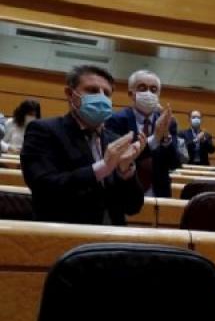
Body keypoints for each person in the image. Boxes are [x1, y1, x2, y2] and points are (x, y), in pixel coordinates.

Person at [21, 65, 145, 225]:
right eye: (92, 90)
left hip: (112, 240)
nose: (101, 97)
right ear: (70, 94)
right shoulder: (44, 131)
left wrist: (125, 172)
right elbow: (44, 189)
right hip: (64, 236)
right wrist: (103, 167)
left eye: (106, 93)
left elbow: (133, 207)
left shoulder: (115, 140)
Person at [105, 70, 181, 198]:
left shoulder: (168, 122)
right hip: (126, 190)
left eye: (153, 89)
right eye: (142, 88)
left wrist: (166, 135)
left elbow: (174, 163)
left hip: (158, 191)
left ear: (158, 95)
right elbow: (118, 160)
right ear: (131, 93)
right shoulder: (116, 120)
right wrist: (155, 138)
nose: (148, 93)